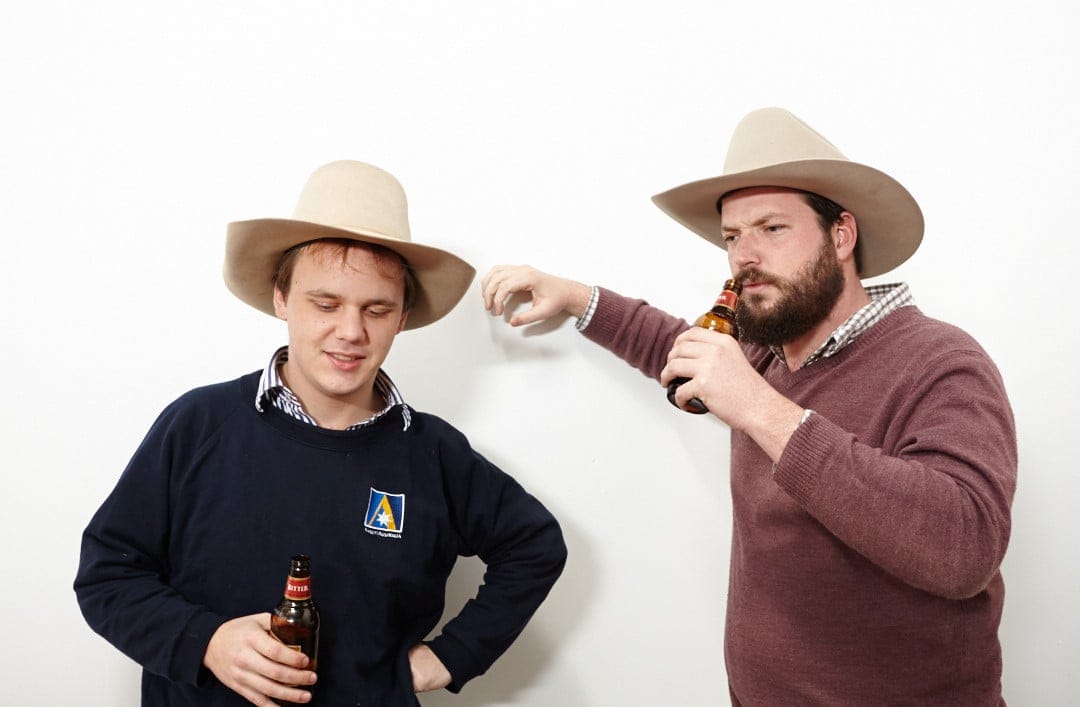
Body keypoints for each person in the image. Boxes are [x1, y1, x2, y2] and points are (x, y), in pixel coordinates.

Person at [482, 108, 1016, 704]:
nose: (744, 255)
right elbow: (675, 347)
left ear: (841, 236)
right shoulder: (765, 353)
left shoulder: (941, 361)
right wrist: (577, 296)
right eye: (732, 237)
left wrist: (758, 407)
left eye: (772, 229)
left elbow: (963, 549)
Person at [75, 160, 567, 706]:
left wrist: (452, 656)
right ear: (281, 298)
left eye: (376, 309)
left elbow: (535, 544)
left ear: (402, 316)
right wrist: (206, 641)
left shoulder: (434, 454)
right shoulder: (197, 426)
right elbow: (107, 577)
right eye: (326, 304)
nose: (351, 332)